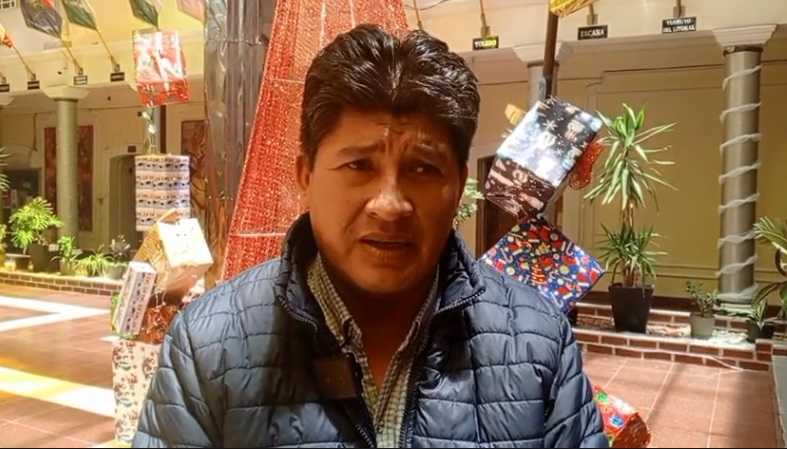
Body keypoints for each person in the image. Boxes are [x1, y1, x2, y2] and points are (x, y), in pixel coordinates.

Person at [134, 24, 606, 448]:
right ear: (305, 175)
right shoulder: (208, 346)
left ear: (459, 184)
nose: (390, 204)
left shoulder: (539, 344)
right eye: (359, 165)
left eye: (423, 168)